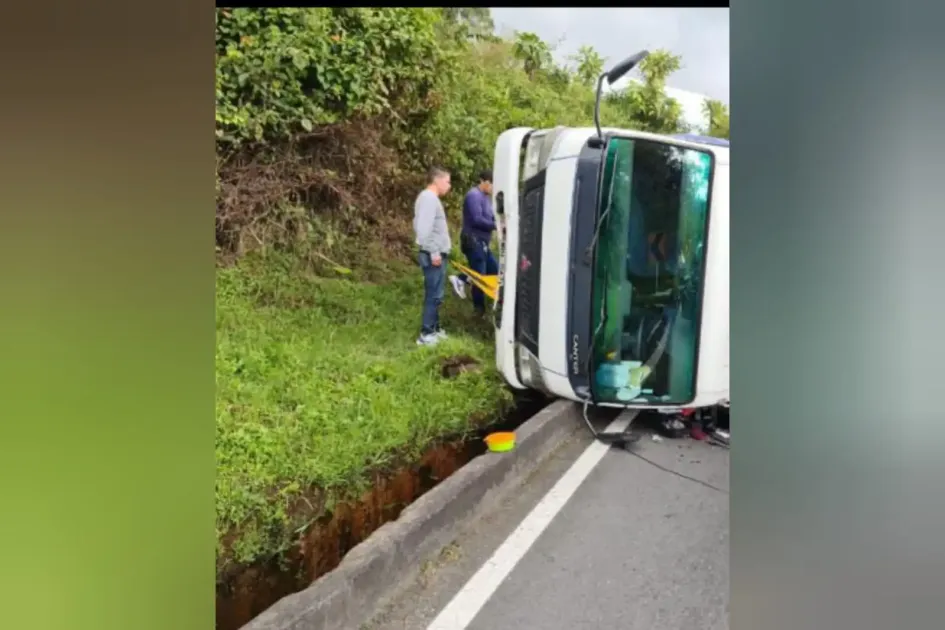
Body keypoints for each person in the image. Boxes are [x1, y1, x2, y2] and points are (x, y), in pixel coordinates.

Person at [449, 169, 498, 315]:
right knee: (480, 275)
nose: (493, 189)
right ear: (485, 182)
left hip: (483, 243)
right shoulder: (473, 196)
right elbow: (477, 219)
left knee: (494, 271)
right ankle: (478, 308)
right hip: (473, 240)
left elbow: (490, 217)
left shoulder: (486, 199)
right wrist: (495, 225)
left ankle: (464, 280)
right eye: (492, 185)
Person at [413, 166, 453, 346]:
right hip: (432, 254)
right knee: (433, 294)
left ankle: (435, 329)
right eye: (447, 181)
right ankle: (426, 333)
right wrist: (434, 252)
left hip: (436, 253)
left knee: (437, 294)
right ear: (437, 180)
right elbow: (423, 230)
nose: (449, 186)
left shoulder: (430, 198)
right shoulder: (428, 198)